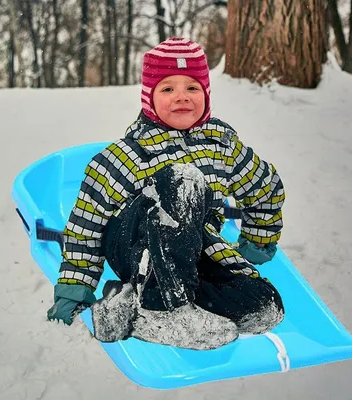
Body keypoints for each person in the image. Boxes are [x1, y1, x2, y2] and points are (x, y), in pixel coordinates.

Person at [47, 37, 285, 350]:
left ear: (206, 94)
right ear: (149, 97)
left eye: (192, 88)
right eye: (168, 89)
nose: (181, 97)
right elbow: (85, 226)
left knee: (266, 305)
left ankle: (137, 313)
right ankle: (165, 307)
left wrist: (258, 242)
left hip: (196, 253)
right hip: (137, 247)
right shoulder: (125, 156)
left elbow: (266, 187)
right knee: (182, 178)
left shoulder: (223, 149)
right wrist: (72, 291)